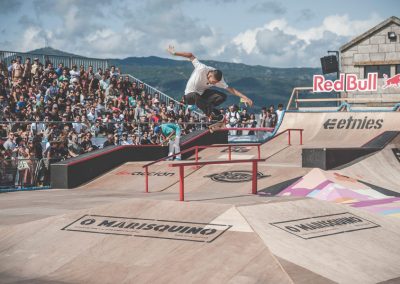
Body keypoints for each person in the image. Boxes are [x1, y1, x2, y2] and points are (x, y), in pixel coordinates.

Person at [166, 45, 253, 122]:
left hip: (202, 95)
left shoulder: (219, 80)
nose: (213, 83)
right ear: (210, 74)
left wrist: (246, 98)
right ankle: (210, 114)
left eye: (215, 83)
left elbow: (231, 90)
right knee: (195, 95)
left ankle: (208, 109)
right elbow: (190, 55)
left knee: (222, 96)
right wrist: (174, 53)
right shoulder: (201, 68)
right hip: (189, 96)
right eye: (213, 81)